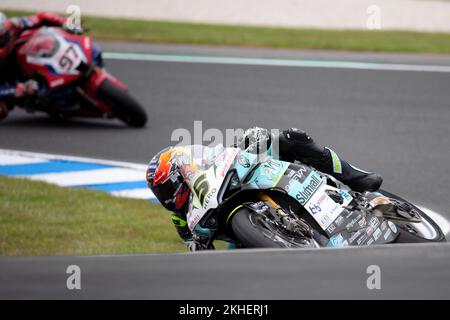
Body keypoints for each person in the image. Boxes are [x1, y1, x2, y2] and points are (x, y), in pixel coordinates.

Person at [146, 127, 383, 251]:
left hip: (252, 179)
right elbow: (196, 252)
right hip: (241, 236)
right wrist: (197, 246)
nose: (167, 197)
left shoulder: (205, 164)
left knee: (292, 137)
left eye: (167, 188)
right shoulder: (181, 219)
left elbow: (231, 151)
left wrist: (252, 139)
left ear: (181, 173)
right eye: (161, 193)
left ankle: (356, 178)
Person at [0, 11, 78, 119]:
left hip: (17, 55)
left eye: (2, 39)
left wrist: (64, 22)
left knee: (39, 38)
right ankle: (31, 98)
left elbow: (40, 18)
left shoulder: (14, 25)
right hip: (4, 78)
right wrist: (13, 90)